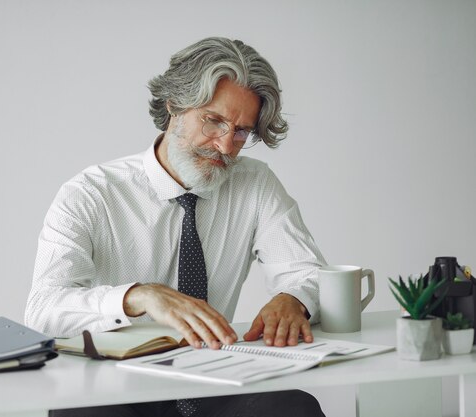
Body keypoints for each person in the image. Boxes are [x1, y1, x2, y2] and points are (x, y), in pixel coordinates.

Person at [26, 37, 327, 417]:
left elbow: (307, 272)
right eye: (214, 120)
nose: (225, 146)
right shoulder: (91, 193)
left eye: (241, 132)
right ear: (174, 106)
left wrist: (294, 298)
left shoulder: (255, 183)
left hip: (214, 381)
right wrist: (139, 296)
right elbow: (43, 308)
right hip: (113, 387)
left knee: (293, 406)